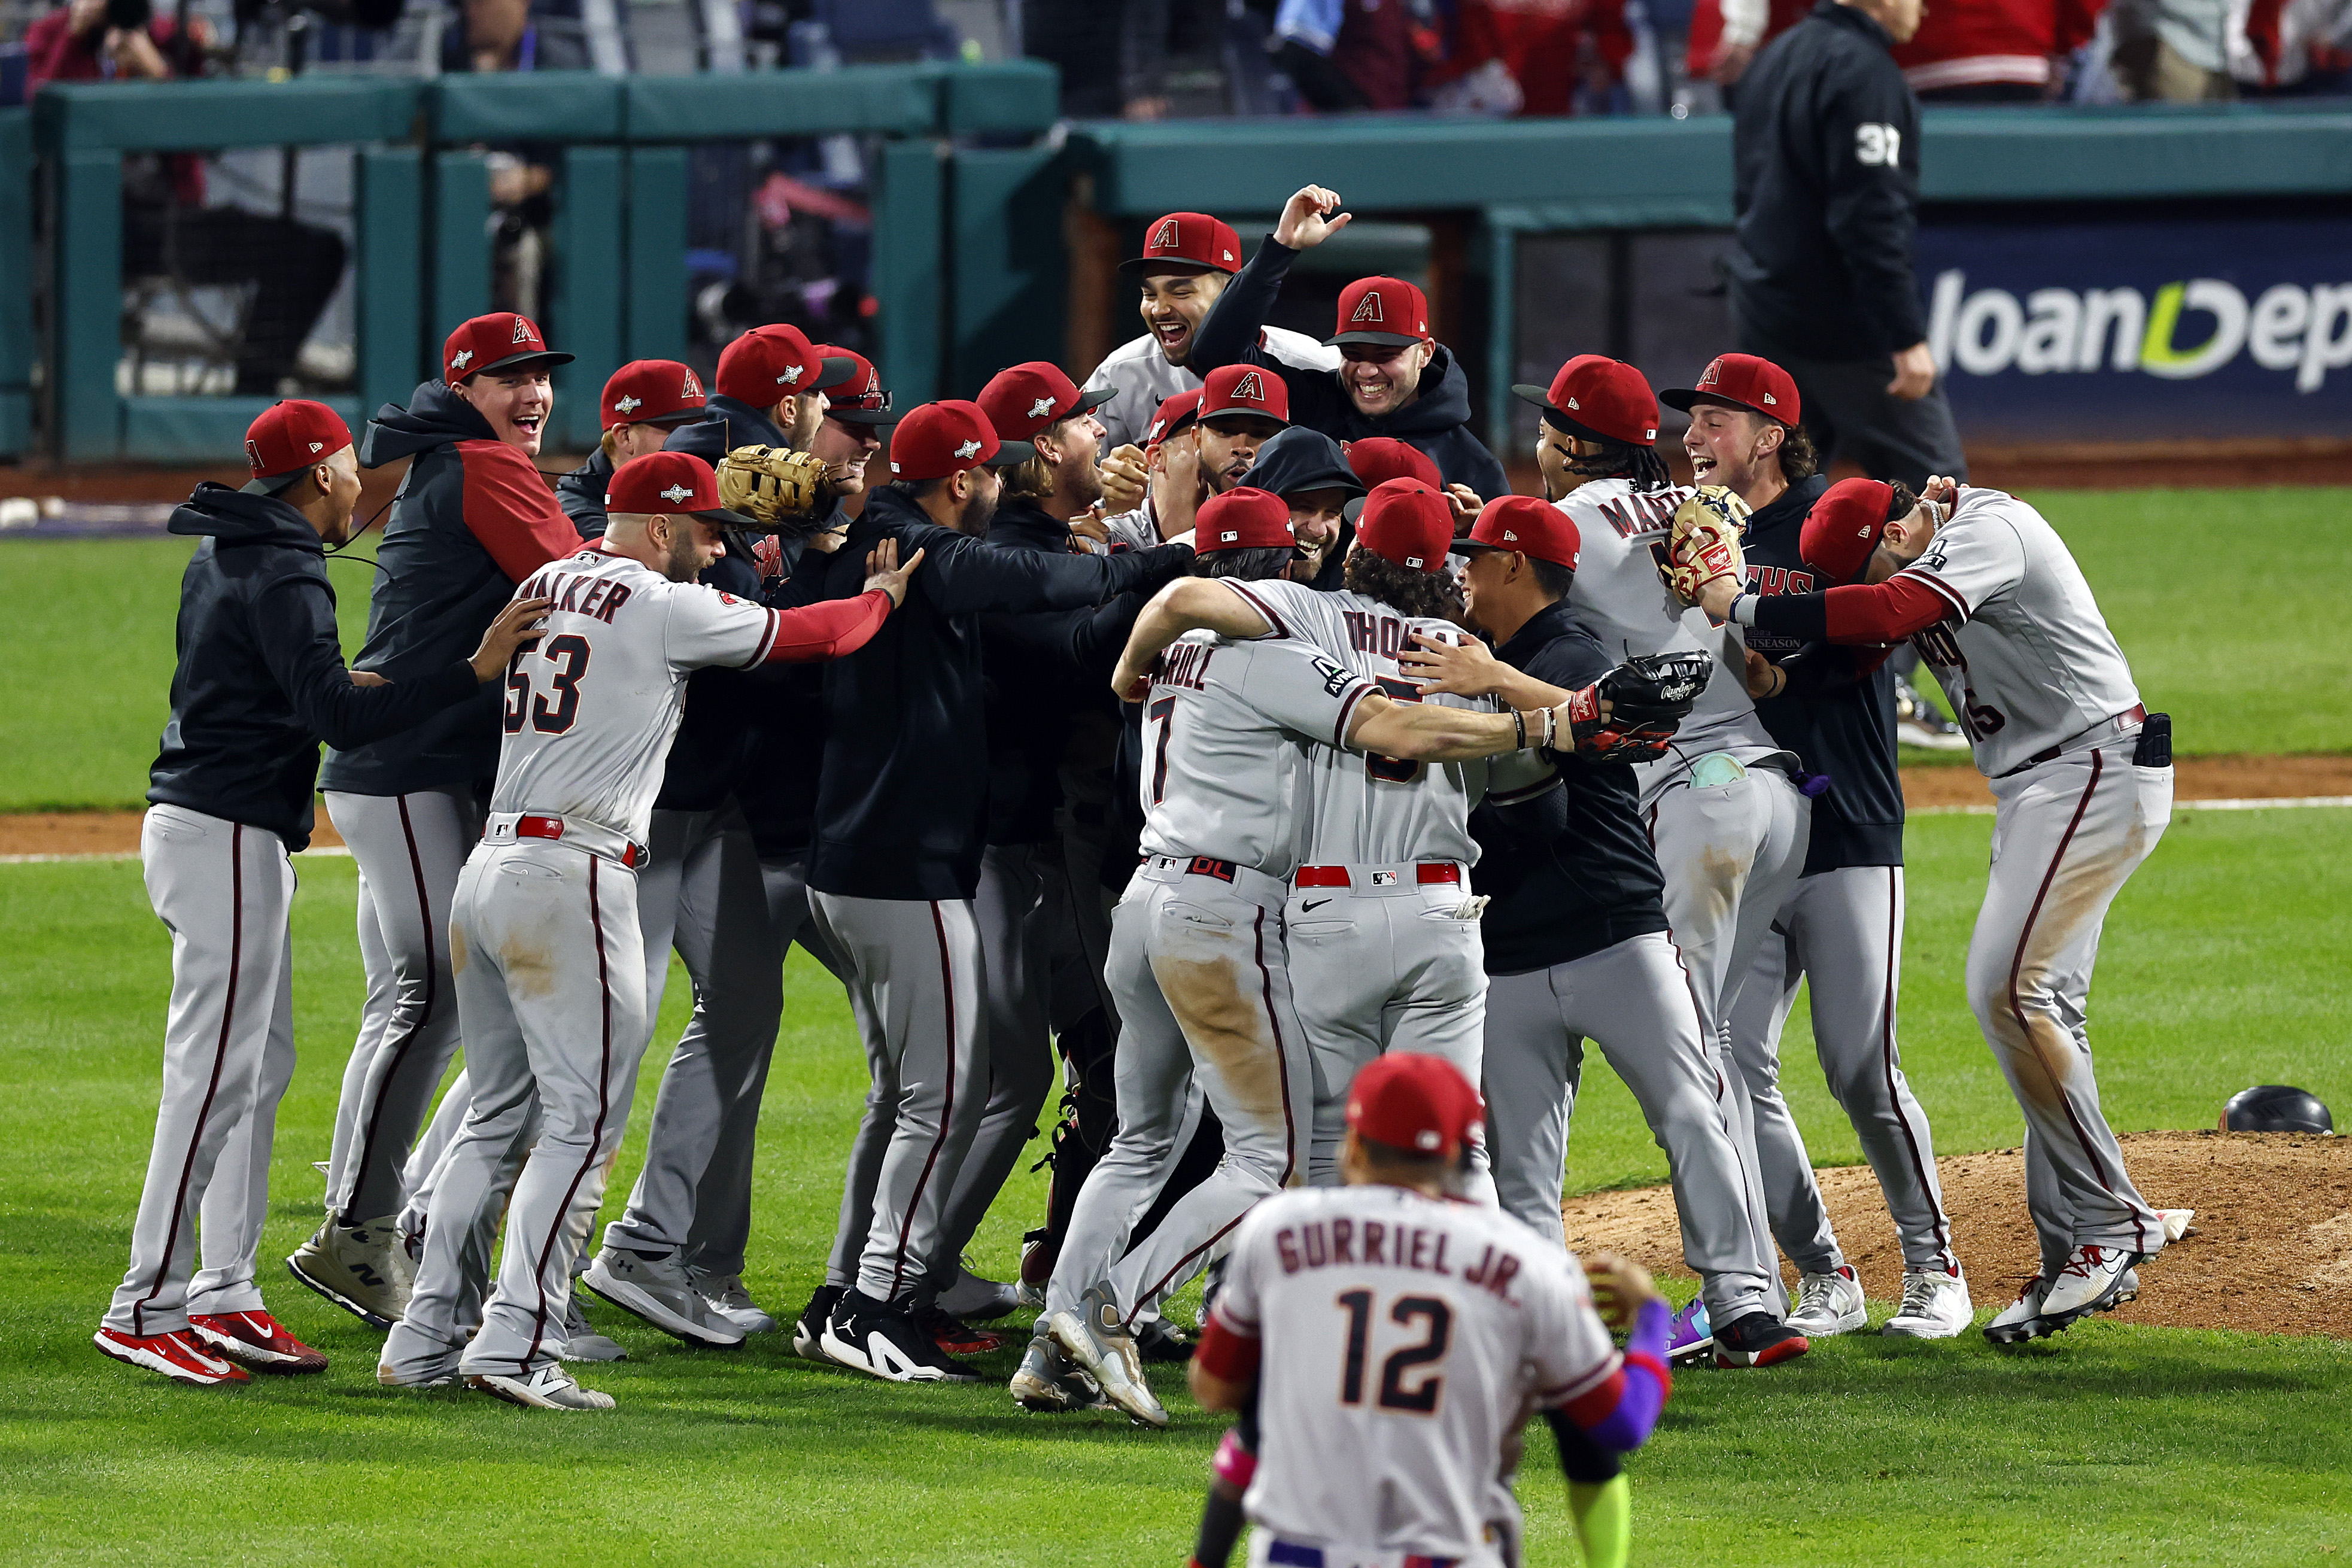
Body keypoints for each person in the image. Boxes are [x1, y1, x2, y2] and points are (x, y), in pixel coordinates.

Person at [1036, 490, 1593, 1428]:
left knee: (1153, 1141)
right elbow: (1453, 750)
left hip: (1191, 900)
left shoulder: (1286, 627)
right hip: (1265, 908)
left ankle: (1069, 1334)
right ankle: (1112, 1308)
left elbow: (1172, 607)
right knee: (1288, 1153)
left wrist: (1127, 668)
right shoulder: (1320, 643)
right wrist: (1534, 710)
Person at [379, 451, 914, 1411]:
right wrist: (879, 595)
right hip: (572, 878)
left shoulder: (546, 579)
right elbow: (815, 636)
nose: (720, 550)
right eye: (709, 531)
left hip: (491, 866)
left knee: (498, 1116)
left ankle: (426, 1337)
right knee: (581, 1128)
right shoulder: (661, 602)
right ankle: (516, 1343)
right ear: (660, 527)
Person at [95, 401, 548, 1388]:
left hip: (217, 830)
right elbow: (338, 711)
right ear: (319, 476)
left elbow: (311, 690)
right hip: (221, 836)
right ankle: (144, 1305)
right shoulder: (286, 565)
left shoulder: (231, 549)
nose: (359, 485)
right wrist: (471, 668)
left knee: (256, 1070)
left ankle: (222, 1291)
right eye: (346, 468)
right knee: (214, 1078)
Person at [1687, 475, 2175, 1344]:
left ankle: (2110, 1224)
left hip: (2088, 768)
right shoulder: (1921, 540)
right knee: (2044, 1010)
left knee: (2008, 992)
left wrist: (1744, 602)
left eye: (1870, 560)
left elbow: (1880, 613)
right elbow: (1854, 640)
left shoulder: (1991, 526)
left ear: (1898, 525)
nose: (1873, 580)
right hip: (2043, 786)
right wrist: (1762, 658)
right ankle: (2074, 1252)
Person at [1409, 354, 1811, 1368]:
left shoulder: (1572, 606)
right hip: (1736, 785)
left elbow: (1610, 718)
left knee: (1689, 1092)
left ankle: (1750, 1301)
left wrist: (1486, 670)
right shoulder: (1692, 504)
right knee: (1616, 1120)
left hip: (1638, 875)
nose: (1462, 571)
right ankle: (1574, 1333)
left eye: (1477, 556)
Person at [797, 402, 1195, 1386]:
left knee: (918, 1093)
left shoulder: (878, 536)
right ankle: (876, 1305)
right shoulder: (916, 545)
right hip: (903, 862)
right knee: (943, 1095)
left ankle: (855, 1293)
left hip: (864, 856)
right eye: (987, 471)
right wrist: (1165, 556)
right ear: (964, 479)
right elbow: (1036, 579)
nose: (998, 484)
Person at [1669, 353, 1970, 1338]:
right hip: (1744, 841)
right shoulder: (1694, 530)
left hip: (1845, 829)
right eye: (1690, 420)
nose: (1694, 437)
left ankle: (1935, 1265)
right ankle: (1824, 1273)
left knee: (1858, 1065)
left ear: (1768, 433)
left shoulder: (1835, 519)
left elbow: (1860, 642)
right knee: (1724, 1061)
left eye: (1714, 420)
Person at [297, 313, 584, 1333]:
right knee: (438, 999)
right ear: (462, 386)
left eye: (542, 377)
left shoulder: (446, 459)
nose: (535, 395)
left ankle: (370, 1215)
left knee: (407, 1003)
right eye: (510, 379)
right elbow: (589, 585)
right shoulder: (483, 464)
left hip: (392, 769)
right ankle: (363, 1227)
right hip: (409, 770)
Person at [1187, 1052, 1672, 1568]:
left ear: (1353, 1146)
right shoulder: (1531, 1265)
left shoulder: (1279, 1230)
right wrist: (1651, 1317)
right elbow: (1622, 1424)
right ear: (1463, 1156)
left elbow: (1215, 1389)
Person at [29, 0, 346, 397]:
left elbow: (206, 143)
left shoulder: (172, 39)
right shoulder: (54, 35)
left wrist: (158, 74)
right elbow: (39, 124)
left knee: (315, 250)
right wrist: (78, 35)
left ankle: (253, 396)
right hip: (84, 231)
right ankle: (57, 408)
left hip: (173, 226)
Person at [1727, 0, 1970, 486]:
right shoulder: (1864, 71)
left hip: (1767, 311)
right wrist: (1904, 336)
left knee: (1779, 496)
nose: (1923, 6)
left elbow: (1748, 195)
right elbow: (1869, 218)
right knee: (1943, 499)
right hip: (1841, 326)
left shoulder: (1773, 57)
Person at [1188, 184, 1511, 500]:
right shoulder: (1312, 403)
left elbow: (1506, 554)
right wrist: (1281, 249)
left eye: (1386, 355)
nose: (1367, 371)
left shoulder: (1470, 465)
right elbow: (1215, 356)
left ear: (1424, 353)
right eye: (1353, 353)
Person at [1083, 211, 1340, 452]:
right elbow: (1063, 476)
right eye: (1149, 295)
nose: (1159, 309)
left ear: (1230, 294)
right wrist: (1107, 483)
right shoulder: (1119, 373)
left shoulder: (1313, 363)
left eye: (1181, 292)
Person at [554, 360, 710, 534]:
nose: (691, 442)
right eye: (674, 431)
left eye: (696, 429)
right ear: (625, 437)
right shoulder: (579, 513)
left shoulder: (705, 481)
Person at [1235, 424, 1365, 589]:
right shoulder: (1205, 576)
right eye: (1304, 508)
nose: (1319, 531)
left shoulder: (1352, 600)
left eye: (1332, 513)